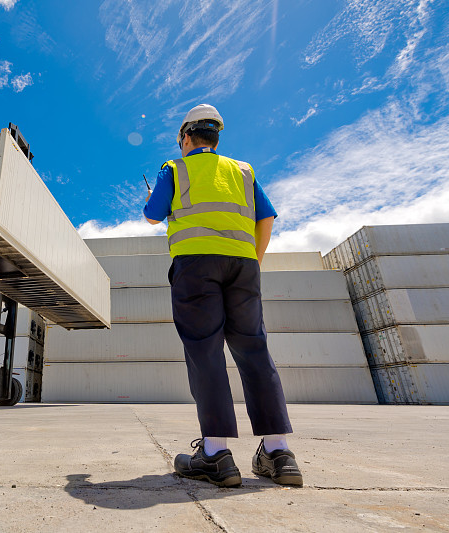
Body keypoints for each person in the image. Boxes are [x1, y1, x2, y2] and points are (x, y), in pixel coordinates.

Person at [143, 104, 303, 487]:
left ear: (186, 137)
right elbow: (266, 217)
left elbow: (152, 215)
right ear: (215, 138)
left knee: (205, 350)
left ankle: (216, 454)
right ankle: (279, 453)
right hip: (244, 266)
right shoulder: (243, 171)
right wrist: (254, 261)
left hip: (196, 266)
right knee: (254, 349)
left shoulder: (173, 169)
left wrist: (157, 198)